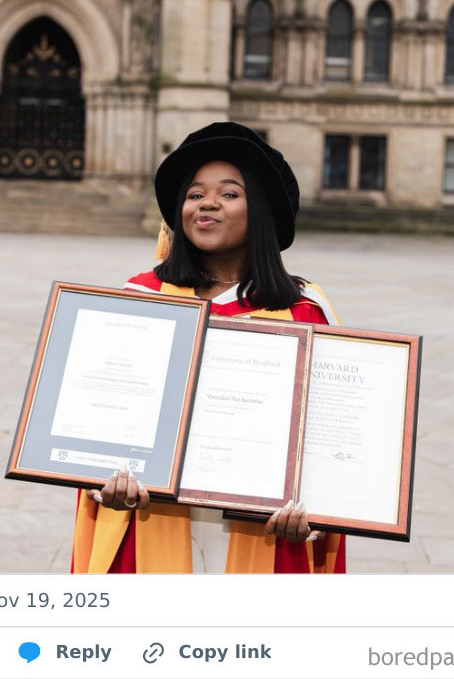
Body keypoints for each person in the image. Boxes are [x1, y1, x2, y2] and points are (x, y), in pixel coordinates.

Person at [72, 122, 346, 574]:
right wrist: (101, 481)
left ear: (260, 210)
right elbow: (98, 422)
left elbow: (327, 441)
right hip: (150, 521)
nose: (207, 204)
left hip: (257, 534)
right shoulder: (141, 298)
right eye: (195, 194)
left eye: (229, 193)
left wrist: (314, 513)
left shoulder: (304, 312)